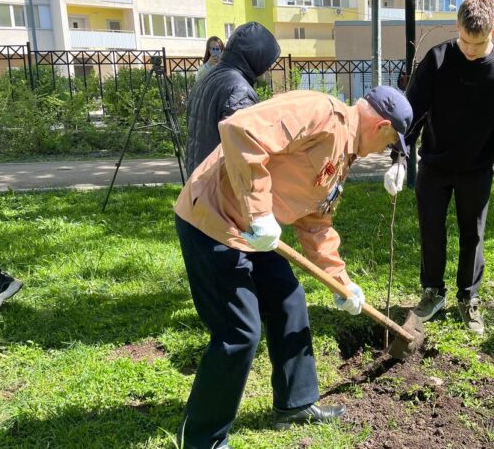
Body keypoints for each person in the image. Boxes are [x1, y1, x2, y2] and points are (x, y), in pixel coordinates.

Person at [174, 86, 412, 448]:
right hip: (213, 221)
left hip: (253, 233)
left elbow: (316, 224)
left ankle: (294, 404)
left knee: (289, 300)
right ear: (380, 125)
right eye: (390, 143)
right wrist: (260, 212)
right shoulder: (319, 112)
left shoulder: (343, 154)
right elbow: (241, 129)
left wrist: (342, 282)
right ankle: (201, 438)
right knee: (239, 332)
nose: (384, 151)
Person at [383, 0, 494, 335]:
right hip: (434, 165)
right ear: (457, 28)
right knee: (431, 230)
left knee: (472, 235)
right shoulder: (437, 60)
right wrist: (399, 158)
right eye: (464, 40)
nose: (469, 49)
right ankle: (432, 292)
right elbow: (411, 113)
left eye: (477, 44)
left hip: (477, 168)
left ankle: (469, 297)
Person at [185, 23, 280, 177]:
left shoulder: (209, 77)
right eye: (267, 61)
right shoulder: (238, 90)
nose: (269, 67)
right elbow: (245, 155)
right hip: (220, 188)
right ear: (255, 56)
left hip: (200, 183)